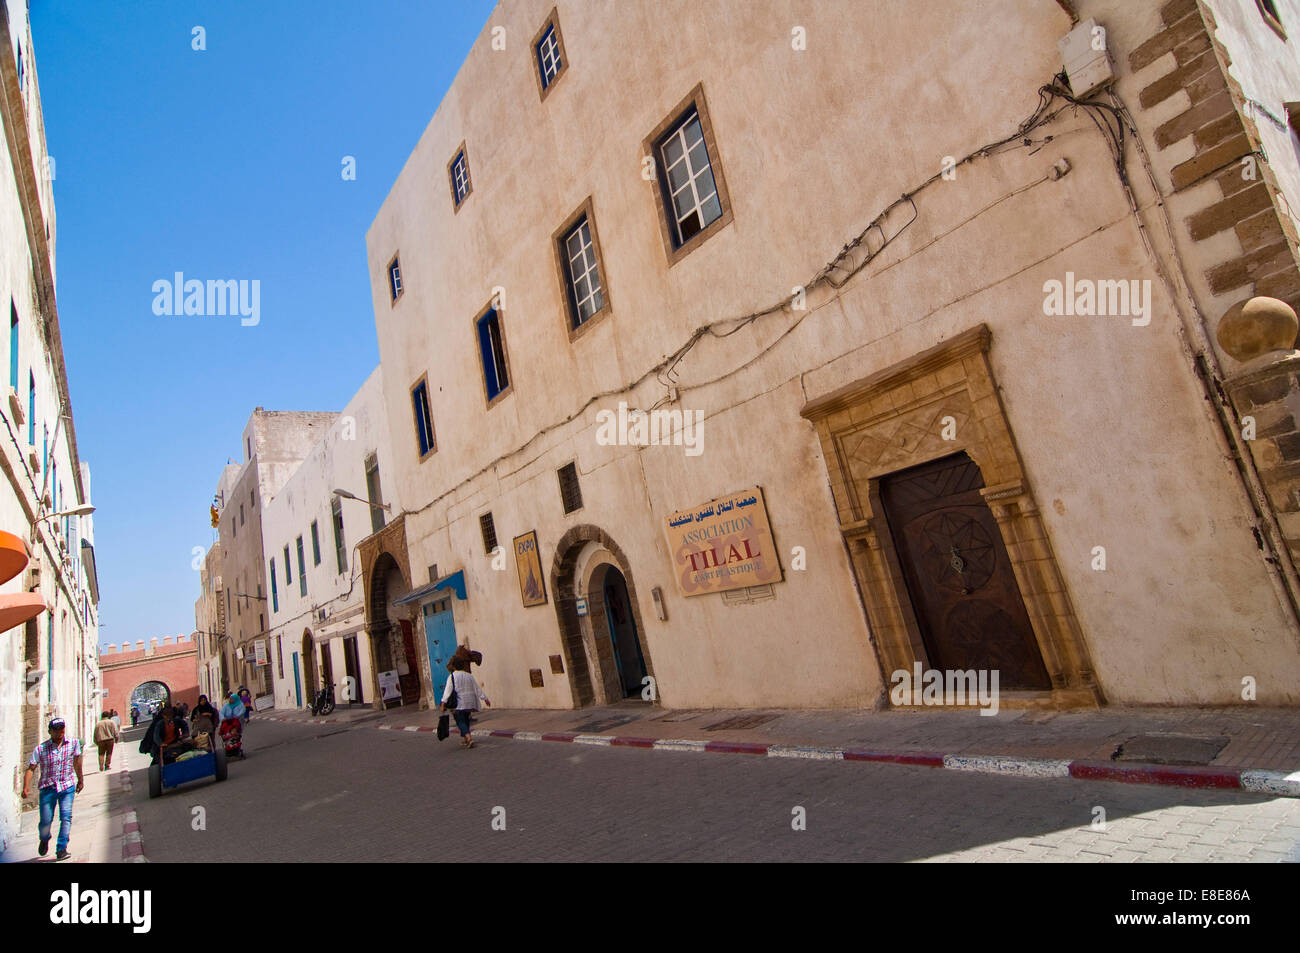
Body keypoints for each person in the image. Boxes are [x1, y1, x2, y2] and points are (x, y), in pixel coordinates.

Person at [21, 717, 83, 860]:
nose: (60, 731)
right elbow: (31, 768)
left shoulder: (73, 744)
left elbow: (77, 762)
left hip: (67, 786)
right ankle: (44, 838)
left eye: (62, 728)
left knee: (66, 817)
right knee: (45, 821)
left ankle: (61, 849)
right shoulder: (41, 749)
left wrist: (80, 779)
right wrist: (26, 787)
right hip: (48, 789)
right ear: (50, 731)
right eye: (56, 729)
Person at [441, 657, 490, 749]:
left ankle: (469, 737)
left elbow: (447, 691)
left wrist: (443, 702)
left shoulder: (452, 676)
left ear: (454, 666)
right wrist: (485, 698)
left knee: (460, 720)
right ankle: (465, 739)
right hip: (470, 701)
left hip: (459, 702)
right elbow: (477, 688)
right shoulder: (469, 676)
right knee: (466, 719)